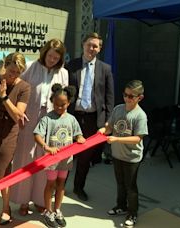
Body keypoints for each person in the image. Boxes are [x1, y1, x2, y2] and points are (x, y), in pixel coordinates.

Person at [10, 38, 69, 216]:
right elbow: (18, 89)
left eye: (56, 57)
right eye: (50, 56)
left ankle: (40, 200)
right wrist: (18, 111)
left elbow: (64, 99)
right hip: (28, 119)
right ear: (44, 53)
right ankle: (23, 201)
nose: (52, 60)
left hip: (51, 120)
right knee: (25, 158)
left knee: (45, 161)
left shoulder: (63, 73)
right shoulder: (29, 66)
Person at [0, 52, 30, 225]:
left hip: (8, 132)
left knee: (3, 173)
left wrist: (3, 97)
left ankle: (6, 208)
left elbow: (18, 116)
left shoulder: (24, 87)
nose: (13, 76)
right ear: (5, 66)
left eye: (17, 73)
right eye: (11, 71)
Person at [65, 32, 114, 201]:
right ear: (83, 45)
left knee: (85, 158)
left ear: (99, 49)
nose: (91, 48)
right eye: (89, 44)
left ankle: (79, 188)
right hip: (71, 117)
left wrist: (108, 121)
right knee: (65, 154)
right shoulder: (71, 65)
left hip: (93, 119)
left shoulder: (105, 69)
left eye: (95, 46)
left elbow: (109, 96)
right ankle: (59, 187)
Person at [33, 84, 85, 228]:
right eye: (56, 104)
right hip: (52, 160)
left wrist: (80, 138)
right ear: (52, 102)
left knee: (61, 184)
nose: (59, 107)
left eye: (63, 105)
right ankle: (48, 211)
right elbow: (37, 135)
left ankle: (57, 210)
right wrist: (47, 147)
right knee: (50, 184)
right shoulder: (47, 119)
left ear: (68, 103)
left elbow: (77, 134)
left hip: (66, 159)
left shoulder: (72, 119)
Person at [98, 80, 148, 228]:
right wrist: (104, 130)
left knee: (130, 187)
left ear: (140, 97)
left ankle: (133, 213)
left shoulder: (140, 115)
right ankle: (121, 206)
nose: (127, 98)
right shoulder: (118, 109)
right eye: (125, 95)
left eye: (131, 96)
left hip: (131, 158)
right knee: (120, 183)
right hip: (117, 155)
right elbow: (110, 126)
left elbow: (138, 138)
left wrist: (117, 139)